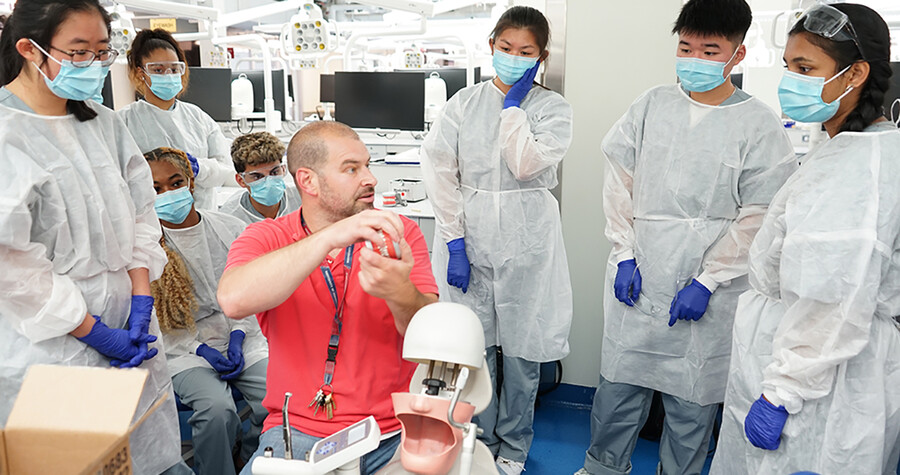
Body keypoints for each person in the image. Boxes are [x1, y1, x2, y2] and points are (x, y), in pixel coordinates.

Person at [575, 1, 799, 474]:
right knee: (618, 389)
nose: (693, 59)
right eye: (685, 47)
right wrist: (624, 252)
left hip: (710, 290)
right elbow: (619, 177)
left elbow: (760, 212)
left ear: (737, 55)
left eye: (709, 50)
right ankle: (601, 468)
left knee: (692, 403)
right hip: (639, 274)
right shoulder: (651, 105)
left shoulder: (759, 125)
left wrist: (709, 280)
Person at [0, 1, 190, 474]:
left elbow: (142, 215)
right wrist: (94, 331)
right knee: (77, 461)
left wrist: (142, 299)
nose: (93, 64)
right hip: (50, 339)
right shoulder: (7, 134)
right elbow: (13, 268)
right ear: (29, 49)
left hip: (131, 318)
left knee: (150, 454)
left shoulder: (103, 123)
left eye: (102, 51)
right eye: (78, 52)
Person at [711, 4, 900, 474]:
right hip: (802, 363)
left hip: (818, 387)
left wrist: (782, 394)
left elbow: (832, 301)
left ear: (855, 74)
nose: (791, 81)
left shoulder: (857, 173)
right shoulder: (850, 149)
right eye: (789, 66)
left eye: (806, 68)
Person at [216, 120, 439, 475]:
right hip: (298, 434)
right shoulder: (266, 236)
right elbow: (233, 299)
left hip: (392, 433)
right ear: (308, 181)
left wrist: (401, 293)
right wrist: (330, 237)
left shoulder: (397, 233)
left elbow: (430, 338)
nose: (370, 178)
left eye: (367, 165)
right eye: (352, 169)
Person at [419, 6, 572, 474]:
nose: (513, 58)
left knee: (524, 350)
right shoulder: (462, 103)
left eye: (525, 52)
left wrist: (511, 110)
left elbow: (527, 165)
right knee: (473, 345)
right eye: (506, 48)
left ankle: (513, 447)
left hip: (528, 238)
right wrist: (455, 243)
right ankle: (474, 437)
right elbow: (441, 174)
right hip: (470, 232)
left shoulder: (552, 108)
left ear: (541, 57)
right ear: (491, 46)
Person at [145, 147, 269, 475]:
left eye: (175, 183)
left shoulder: (230, 228)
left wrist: (239, 335)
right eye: (155, 188)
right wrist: (200, 349)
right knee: (217, 410)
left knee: (279, 399)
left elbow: (249, 289)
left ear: (191, 183)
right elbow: (156, 321)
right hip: (182, 350)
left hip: (243, 333)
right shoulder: (145, 247)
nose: (168, 194)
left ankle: (253, 459)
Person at [119, 28, 236, 210]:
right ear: (141, 72)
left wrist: (199, 168)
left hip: (202, 217)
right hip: (152, 224)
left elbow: (225, 169)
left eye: (174, 69)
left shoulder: (198, 118)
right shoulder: (124, 121)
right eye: (158, 69)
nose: (168, 75)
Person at [219, 131, 301, 226]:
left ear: (283, 169)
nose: (268, 182)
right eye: (257, 176)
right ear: (241, 180)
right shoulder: (230, 218)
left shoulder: (302, 199)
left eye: (274, 172)